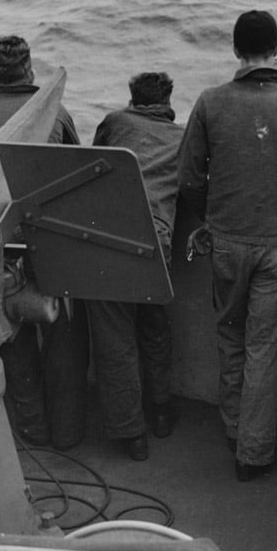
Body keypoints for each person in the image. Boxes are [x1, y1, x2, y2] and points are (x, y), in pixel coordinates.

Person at [178, 11, 277, 482]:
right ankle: (254, 452)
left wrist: (218, 215)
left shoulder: (210, 103)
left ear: (235, 50)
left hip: (226, 243)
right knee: (264, 346)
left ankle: (232, 428)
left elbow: (188, 178)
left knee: (230, 335)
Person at [0, 35, 86, 449]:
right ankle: (67, 435)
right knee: (62, 337)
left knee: (13, 335)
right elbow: (79, 172)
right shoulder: (56, 111)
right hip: (51, 237)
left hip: (2, 242)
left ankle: (31, 432)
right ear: (30, 69)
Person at [86, 72, 183, 461]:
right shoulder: (182, 137)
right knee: (155, 328)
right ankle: (161, 412)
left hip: (110, 237)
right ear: (167, 101)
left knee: (116, 338)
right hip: (156, 241)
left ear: (133, 100)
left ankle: (132, 436)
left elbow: (94, 165)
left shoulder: (115, 122)